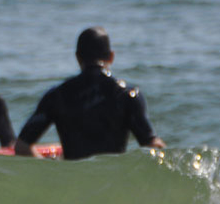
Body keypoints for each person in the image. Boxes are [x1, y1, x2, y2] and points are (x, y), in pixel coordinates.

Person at [15, 26, 165, 160]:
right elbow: (153, 146)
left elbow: (21, 146)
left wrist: (55, 173)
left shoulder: (57, 96)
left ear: (77, 57)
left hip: (74, 181)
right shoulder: (127, 95)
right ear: (111, 56)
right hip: (112, 181)